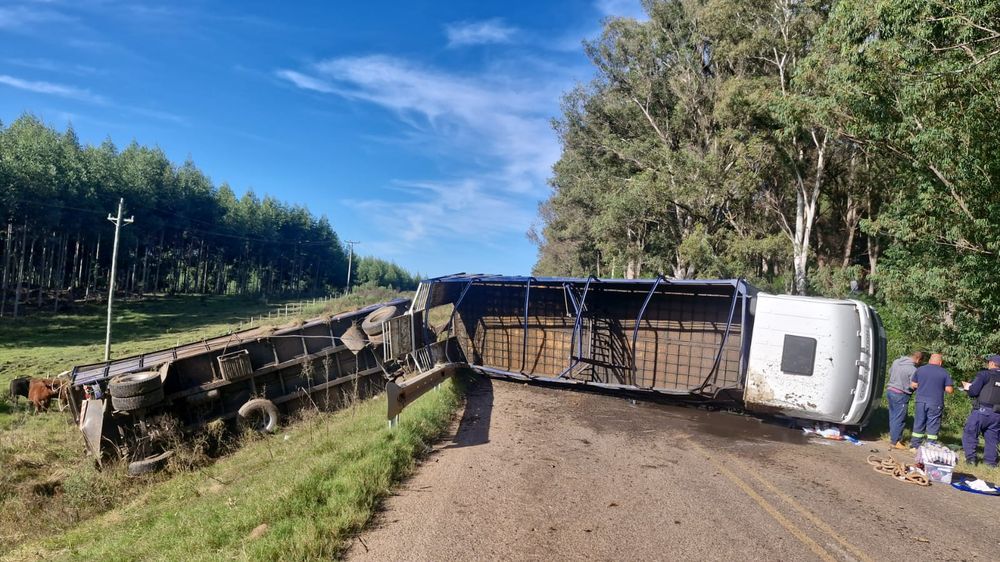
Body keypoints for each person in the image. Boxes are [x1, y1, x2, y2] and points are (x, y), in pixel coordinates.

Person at [961, 354, 1000, 467]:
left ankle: (971, 459)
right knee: (992, 438)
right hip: (997, 414)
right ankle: (990, 463)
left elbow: (973, 392)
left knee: (970, 432)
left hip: (982, 411)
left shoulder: (984, 374)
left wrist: (967, 388)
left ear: (992, 363)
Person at [909, 353, 954, 449]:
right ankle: (931, 445)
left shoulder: (920, 369)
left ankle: (915, 445)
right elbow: (949, 390)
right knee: (933, 424)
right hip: (935, 402)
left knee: (919, 422)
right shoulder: (944, 372)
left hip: (920, 401)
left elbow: (913, 384)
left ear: (929, 360)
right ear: (940, 362)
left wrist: (923, 386)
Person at [886, 351, 925, 449]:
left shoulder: (896, 362)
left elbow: (890, 372)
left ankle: (893, 437)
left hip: (890, 390)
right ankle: (895, 442)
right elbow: (913, 384)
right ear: (918, 359)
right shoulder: (913, 369)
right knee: (899, 418)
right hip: (901, 394)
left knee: (893, 416)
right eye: (920, 361)